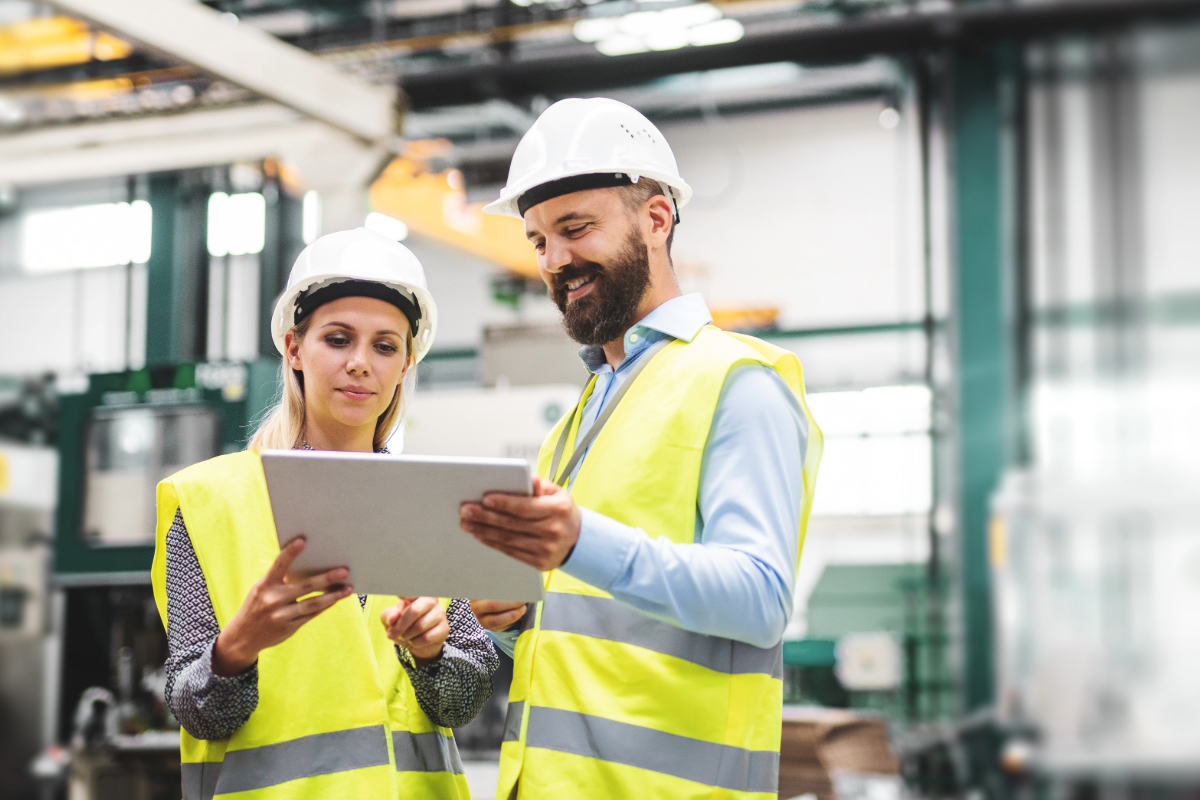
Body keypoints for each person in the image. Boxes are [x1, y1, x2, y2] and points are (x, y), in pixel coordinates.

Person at [461, 98, 823, 800]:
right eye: (537, 241)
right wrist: (504, 614)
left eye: (576, 228)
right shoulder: (577, 421)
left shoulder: (739, 382)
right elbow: (594, 625)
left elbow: (760, 598)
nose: (555, 261)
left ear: (655, 220)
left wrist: (576, 543)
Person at [151, 228, 495, 800]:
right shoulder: (210, 501)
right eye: (338, 339)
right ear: (293, 348)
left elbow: (462, 702)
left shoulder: (428, 499)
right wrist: (236, 650)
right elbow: (197, 713)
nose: (361, 364)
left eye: (385, 346)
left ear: (407, 362)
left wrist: (433, 654)